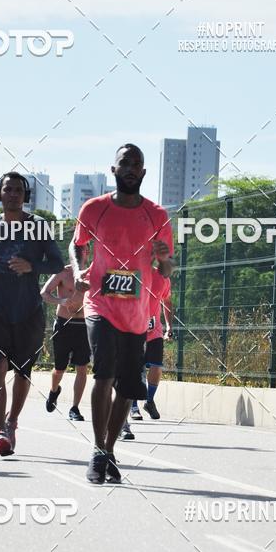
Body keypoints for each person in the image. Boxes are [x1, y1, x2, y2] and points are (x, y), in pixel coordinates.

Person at [70, 143, 174, 484]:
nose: (130, 168)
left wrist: (164, 259)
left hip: (136, 311)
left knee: (128, 387)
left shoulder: (157, 215)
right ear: (113, 170)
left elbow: (167, 268)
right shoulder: (94, 209)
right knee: (103, 374)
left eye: (137, 164)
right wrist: (77, 269)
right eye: (124, 163)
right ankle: (98, 451)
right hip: (100, 303)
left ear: (143, 173)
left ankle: (109, 450)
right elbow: (77, 243)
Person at [0, 171, 63, 456]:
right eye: (7, 189)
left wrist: (31, 266)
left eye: (17, 190)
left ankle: (13, 422)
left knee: (23, 371)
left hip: (28, 310)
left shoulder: (39, 226)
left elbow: (57, 263)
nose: (12, 194)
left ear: (25, 196)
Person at [40, 264, 90, 420]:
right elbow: (44, 293)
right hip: (64, 324)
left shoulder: (92, 273)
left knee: (82, 368)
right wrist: (61, 300)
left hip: (84, 325)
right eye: (79, 248)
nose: (83, 251)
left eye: (85, 248)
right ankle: (54, 390)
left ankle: (75, 408)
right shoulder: (63, 272)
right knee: (60, 369)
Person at [130, 265, 172, 421]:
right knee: (134, 369)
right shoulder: (132, 273)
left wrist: (169, 326)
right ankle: (133, 406)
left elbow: (167, 301)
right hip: (133, 328)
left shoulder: (162, 277)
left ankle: (149, 401)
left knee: (156, 366)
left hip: (154, 331)